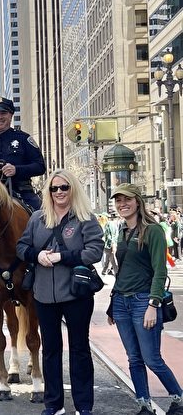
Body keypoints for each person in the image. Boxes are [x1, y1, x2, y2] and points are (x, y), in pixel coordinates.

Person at [16, 169, 104, 415]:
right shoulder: (37, 218)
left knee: (79, 349)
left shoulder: (85, 217)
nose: (59, 193)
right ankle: (53, 404)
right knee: (51, 350)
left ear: (72, 188)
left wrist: (62, 257)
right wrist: (38, 255)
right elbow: (22, 247)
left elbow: (95, 250)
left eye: (64, 187)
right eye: (54, 189)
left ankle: (83, 405)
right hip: (44, 294)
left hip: (76, 293)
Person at [108, 183, 183, 415]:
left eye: (127, 200)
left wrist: (153, 304)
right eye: (119, 201)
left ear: (138, 201)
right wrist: (112, 304)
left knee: (152, 358)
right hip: (121, 301)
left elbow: (160, 271)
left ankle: (178, 399)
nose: (123, 204)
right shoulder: (121, 230)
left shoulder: (153, 230)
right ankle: (144, 404)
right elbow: (122, 270)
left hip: (144, 301)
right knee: (134, 359)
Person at [0, 96, 46, 210]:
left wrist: (17, 169)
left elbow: (40, 166)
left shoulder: (23, 139)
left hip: (21, 193)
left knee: (43, 217)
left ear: (11, 116)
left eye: (3, 113)